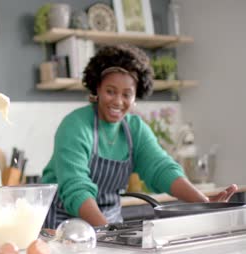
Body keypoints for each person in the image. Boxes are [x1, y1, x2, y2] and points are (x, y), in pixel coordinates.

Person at [42, 44, 238, 228]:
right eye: (110, 91)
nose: (118, 101)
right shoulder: (75, 125)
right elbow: (75, 188)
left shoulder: (134, 129)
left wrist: (202, 202)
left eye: (127, 94)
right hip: (63, 225)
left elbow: (161, 168)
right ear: (97, 89)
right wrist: (107, 232)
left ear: (136, 97)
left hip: (109, 223)